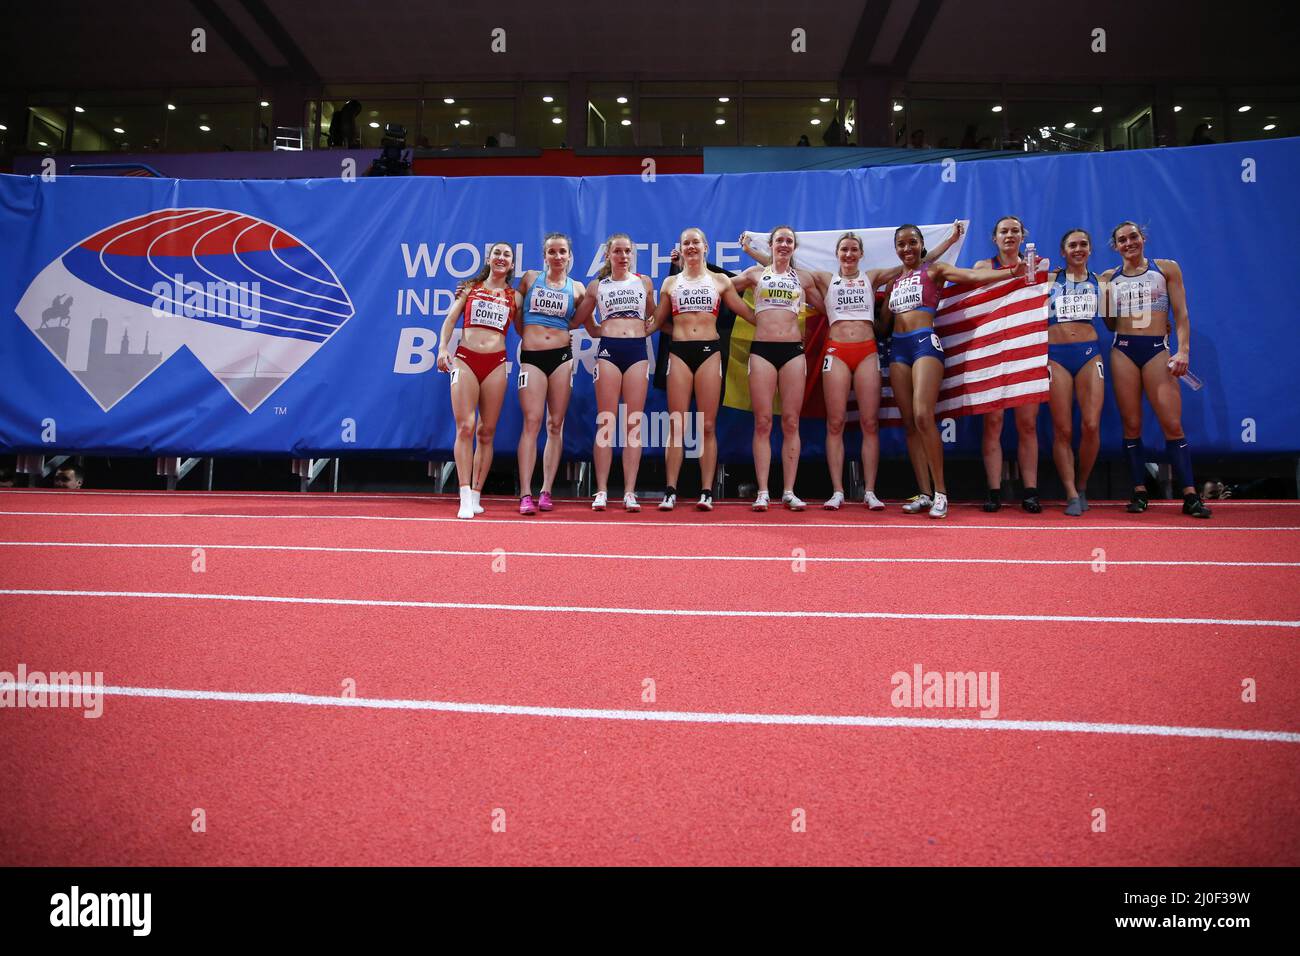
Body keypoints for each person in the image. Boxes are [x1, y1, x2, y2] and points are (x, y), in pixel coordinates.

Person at [741, 223, 963, 510]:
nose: (849, 253)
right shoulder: (824, 278)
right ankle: (837, 491)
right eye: (844, 249)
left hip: (867, 351)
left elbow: (918, 262)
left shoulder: (872, 277)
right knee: (835, 423)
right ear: (837, 254)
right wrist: (753, 252)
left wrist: (948, 242)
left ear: (860, 254)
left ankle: (870, 491)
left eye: (854, 249)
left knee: (870, 423)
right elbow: (782, 268)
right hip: (837, 351)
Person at [882, 225, 1022, 519]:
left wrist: (1012, 273)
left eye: (912, 243)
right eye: (901, 244)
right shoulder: (894, 281)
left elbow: (973, 277)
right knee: (909, 422)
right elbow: (881, 326)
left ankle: (941, 493)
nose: (907, 248)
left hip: (924, 344)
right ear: (896, 248)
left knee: (923, 415)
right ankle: (923, 492)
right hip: (898, 349)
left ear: (921, 245)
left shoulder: (935, 271)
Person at [1100, 221, 1211, 518]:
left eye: (1133, 237)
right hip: (1122, 350)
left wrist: (1183, 349)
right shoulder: (1108, 278)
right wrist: (1103, 299)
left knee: (1172, 424)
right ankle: (1139, 491)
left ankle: (1190, 494)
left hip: (1156, 351)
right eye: (1122, 240)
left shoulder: (1166, 269)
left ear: (1143, 238)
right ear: (1116, 246)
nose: (1128, 243)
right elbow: (1109, 323)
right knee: (1132, 425)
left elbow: (1182, 314)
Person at [649, 227, 753, 511]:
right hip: (680, 353)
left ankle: (706, 491)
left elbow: (746, 314)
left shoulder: (720, 281)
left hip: (709, 353)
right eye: (686, 243)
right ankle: (671, 490)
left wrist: (778, 322)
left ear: (706, 247)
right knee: (677, 424)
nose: (691, 247)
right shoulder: (670, 282)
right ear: (680, 249)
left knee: (708, 425)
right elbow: (657, 321)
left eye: (696, 242)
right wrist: (630, 329)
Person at [730, 226, 826, 511]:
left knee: (791, 422)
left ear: (794, 247)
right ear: (770, 245)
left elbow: (826, 307)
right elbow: (721, 289)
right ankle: (762, 491)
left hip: (793, 353)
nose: (784, 245)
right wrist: (749, 315)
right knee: (762, 423)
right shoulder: (754, 274)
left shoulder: (803, 277)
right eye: (779, 240)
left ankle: (788, 490)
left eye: (789, 241)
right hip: (762, 351)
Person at [572, 234, 655, 512]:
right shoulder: (597, 286)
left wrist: (647, 330)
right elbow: (580, 318)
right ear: (608, 255)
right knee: (606, 421)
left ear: (632, 254)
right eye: (617, 251)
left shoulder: (644, 282)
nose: (622, 255)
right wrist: (596, 330)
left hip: (636, 351)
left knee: (633, 423)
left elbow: (655, 316)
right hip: (608, 350)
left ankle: (630, 492)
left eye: (627, 251)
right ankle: (602, 490)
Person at [437, 242, 521, 519]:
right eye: (497, 253)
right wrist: (442, 349)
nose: (501, 258)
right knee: (465, 428)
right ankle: (462, 495)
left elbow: (525, 329)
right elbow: (450, 320)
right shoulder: (470, 288)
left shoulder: (515, 297)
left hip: (496, 364)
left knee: (486, 432)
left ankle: (476, 494)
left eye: (507, 255)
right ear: (489, 258)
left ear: (511, 264)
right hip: (465, 359)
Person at [973, 216, 1045, 513]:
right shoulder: (983, 267)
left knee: (1027, 424)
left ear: (1022, 236)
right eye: (1004, 230)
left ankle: (1030, 491)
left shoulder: (1036, 264)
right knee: (994, 423)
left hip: (1026, 350)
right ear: (995, 238)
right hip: (993, 353)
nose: (1010, 235)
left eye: (1015, 230)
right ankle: (994, 490)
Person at [514, 233, 587, 515]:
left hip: (561, 359)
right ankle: (525, 493)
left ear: (570, 256)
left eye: (562, 252)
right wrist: (527, 337)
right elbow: (513, 310)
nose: (558, 257)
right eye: (552, 252)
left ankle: (546, 490)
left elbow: (587, 322)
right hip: (532, 357)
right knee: (531, 422)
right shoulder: (530, 279)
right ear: (544, 256)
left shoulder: (577, 288)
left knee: (555, 424)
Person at [1046, 229, 1105, 516]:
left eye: (1083, 245)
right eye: (1072, 245)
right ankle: (1070, 492)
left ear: (1090, 250)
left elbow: (1119, 318)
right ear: (1063, 251)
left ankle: (1082, 484)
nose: (1078, 249)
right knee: (1063, 429)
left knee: (1091, 425)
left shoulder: (1101, 281)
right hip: (1056, 356)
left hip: (1089, 354)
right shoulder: (1049, 280)